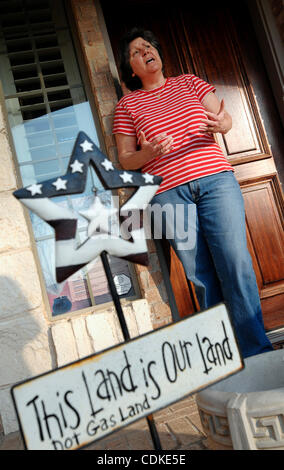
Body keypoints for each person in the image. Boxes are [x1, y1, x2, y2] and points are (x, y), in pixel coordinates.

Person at [112, 27, 273, 359]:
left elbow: (223, 118)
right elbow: (126, 160)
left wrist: (222, 125)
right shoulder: (127, 105)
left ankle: (257, 352)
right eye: (136, 52)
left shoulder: (189, 82)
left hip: (215, 181)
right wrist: (150, 151)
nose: (145, 52)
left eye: (148, 46)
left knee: (235, 262)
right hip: (168, 195)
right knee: (201, 276)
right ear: (131, 69)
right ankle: (224, 357)